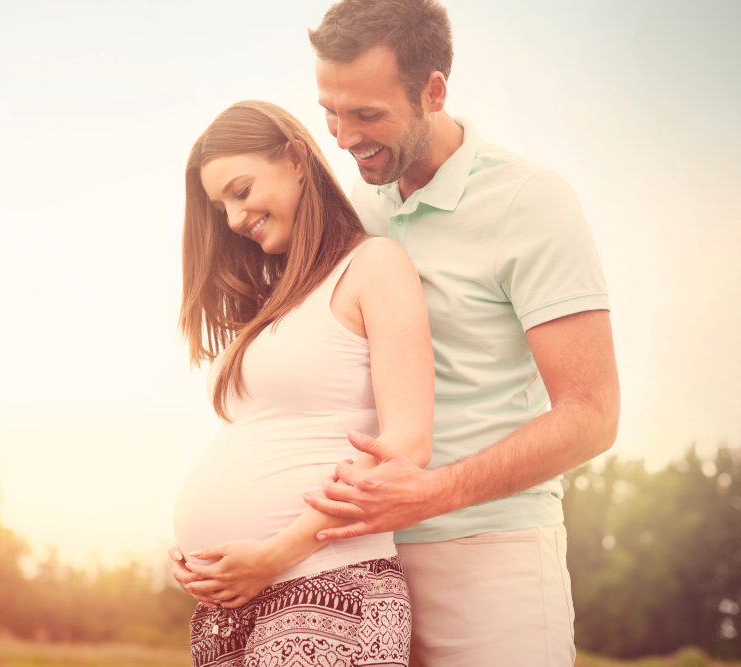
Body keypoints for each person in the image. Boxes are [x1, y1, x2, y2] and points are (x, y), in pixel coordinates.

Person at [295, 0, 620, 665]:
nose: (342, 136)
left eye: (367, 115)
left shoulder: (529, 203)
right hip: (362, 564)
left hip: (493, 563)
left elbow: (593, 414)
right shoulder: (351, 210)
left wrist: (433, 493)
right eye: (331, 110)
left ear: (434, 91)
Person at [173, 99, 434, 666]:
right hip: (239, 604)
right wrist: (203, 555)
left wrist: (274, 553)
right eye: (221, 208)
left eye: (240, 192)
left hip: (330, 586)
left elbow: (407, 445)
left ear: (295, 159)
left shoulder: (374, 266)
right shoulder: (275, 303)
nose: (234, 219)